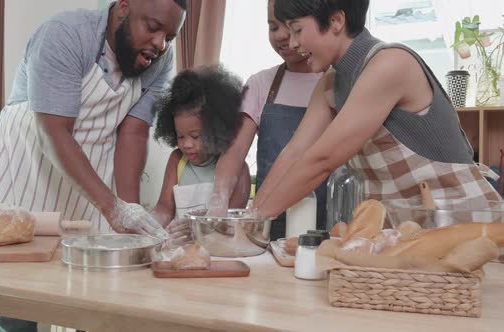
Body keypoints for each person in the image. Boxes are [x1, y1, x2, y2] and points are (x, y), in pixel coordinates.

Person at [0, 0, 186, 331]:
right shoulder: (65, 34)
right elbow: (54, 132)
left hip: (90, 182)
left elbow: (132, 134)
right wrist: (112, 207)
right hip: (27, 169)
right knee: (18, 299)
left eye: (169, 36)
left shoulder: (159, 61)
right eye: (152, 28)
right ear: (123, 7)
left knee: (93, 299)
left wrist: (128, 209)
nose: (160, 45)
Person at [252, 0, 501, 221]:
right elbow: (295, 152)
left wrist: (259, 219)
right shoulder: (329, 82)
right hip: (405, 229)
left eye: (297, 30)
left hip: (463, 221)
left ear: (336, 21)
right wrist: (251, 218)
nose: (293, 43)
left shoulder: (390, 63)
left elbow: (321, 160)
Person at [207, 0, 324, 240]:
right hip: (268, 226)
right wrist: (218, 200)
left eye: (291, 27)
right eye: (273, 27)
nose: (282, 36)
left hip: (328, 224)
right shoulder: (261, 84)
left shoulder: (334, 81)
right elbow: (235, 151)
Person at [151, 65, 250, 237]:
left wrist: (198, 226)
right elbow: (165, 207)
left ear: (216, 129)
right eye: (180, 136)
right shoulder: (177, 160)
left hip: (220, 251)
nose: (187, 144)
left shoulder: (238, 168)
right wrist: (152, 225)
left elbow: (231, 221)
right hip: (182, 248)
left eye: (195, 136)